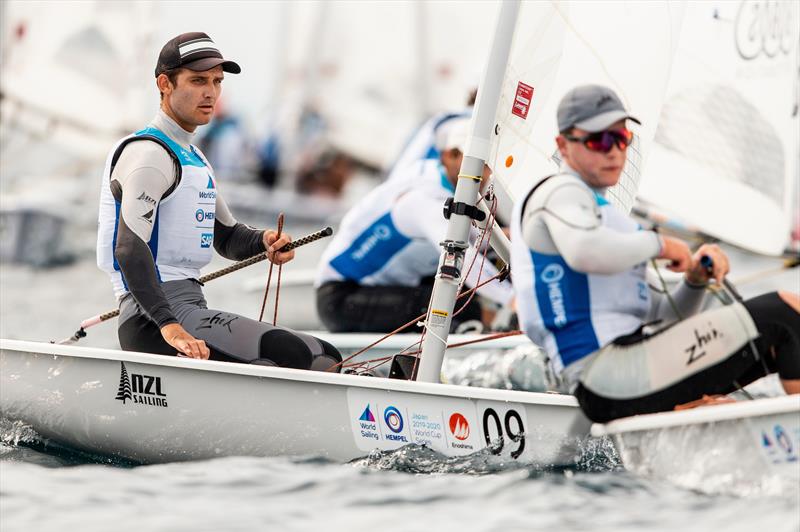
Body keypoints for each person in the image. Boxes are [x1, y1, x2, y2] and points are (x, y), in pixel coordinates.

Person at [510, 84, 800, 422]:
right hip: (609, 375)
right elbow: (584, 253)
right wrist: (661, 244)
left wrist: (693, 281)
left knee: (776, 342)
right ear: (563, 145)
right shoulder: (558, 193)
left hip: (624, 374)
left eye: (622, 140)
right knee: (786, 312)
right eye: (599, 141)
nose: (614, 152)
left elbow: (665, 314)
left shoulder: (606, 220)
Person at [96, 32, 341, 371]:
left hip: (189, 309)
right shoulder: (149, 154)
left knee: (324, 354)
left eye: (217, 81)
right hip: (152, 320)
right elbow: (127, 249)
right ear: (164, 84)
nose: (210, 91)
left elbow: (226, 237)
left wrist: (263, 240)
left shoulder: (194, 157)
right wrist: (170, 326)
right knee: (302, 357)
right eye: (197, 81)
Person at [316, 117, 514, 332]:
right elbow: (462, 257)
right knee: (453, 302)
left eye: (487, 164)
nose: (484, 174)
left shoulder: (448, 183)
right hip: (342, 297)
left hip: (394, 286)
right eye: (476, 162)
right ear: (449, 156)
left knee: (466, 284)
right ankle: (507, 332)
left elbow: (475, 242)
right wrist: (512, 300)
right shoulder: (422, 197)